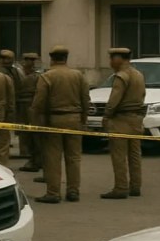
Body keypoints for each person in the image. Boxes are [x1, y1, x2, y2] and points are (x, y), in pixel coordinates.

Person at [31, 46, 89, 204]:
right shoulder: (78, 75)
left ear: (52, 58)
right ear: (66, 58)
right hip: (75, 119)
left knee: (53, 158)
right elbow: (86, 99)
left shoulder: (47, 76)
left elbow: (39, 102)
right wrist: (84, 119)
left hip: (54, 120)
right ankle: (73, 191)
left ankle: (53, 192)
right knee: (74, 158)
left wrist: (36, 123)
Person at [101, 48, 147, 200]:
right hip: (136, 119)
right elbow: (143, 95)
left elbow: (114, 100)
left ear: (119, 59)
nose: (110, 62)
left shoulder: (121, 76)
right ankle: (135, 186)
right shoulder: (138, 75)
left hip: (121, 120)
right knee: (134, 155)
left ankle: (120, 187)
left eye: (112, 58)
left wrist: (106, 116)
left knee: (119, 156)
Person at [18, 52, 42, 172]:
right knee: (26, 135)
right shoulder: (18, 73)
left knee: (35, 136)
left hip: (33, 107)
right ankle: (32, 158)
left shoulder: (38, 75)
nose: (31, 63)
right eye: (29, 60)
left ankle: (35, 160)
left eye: (33, 60)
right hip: (22, 106)